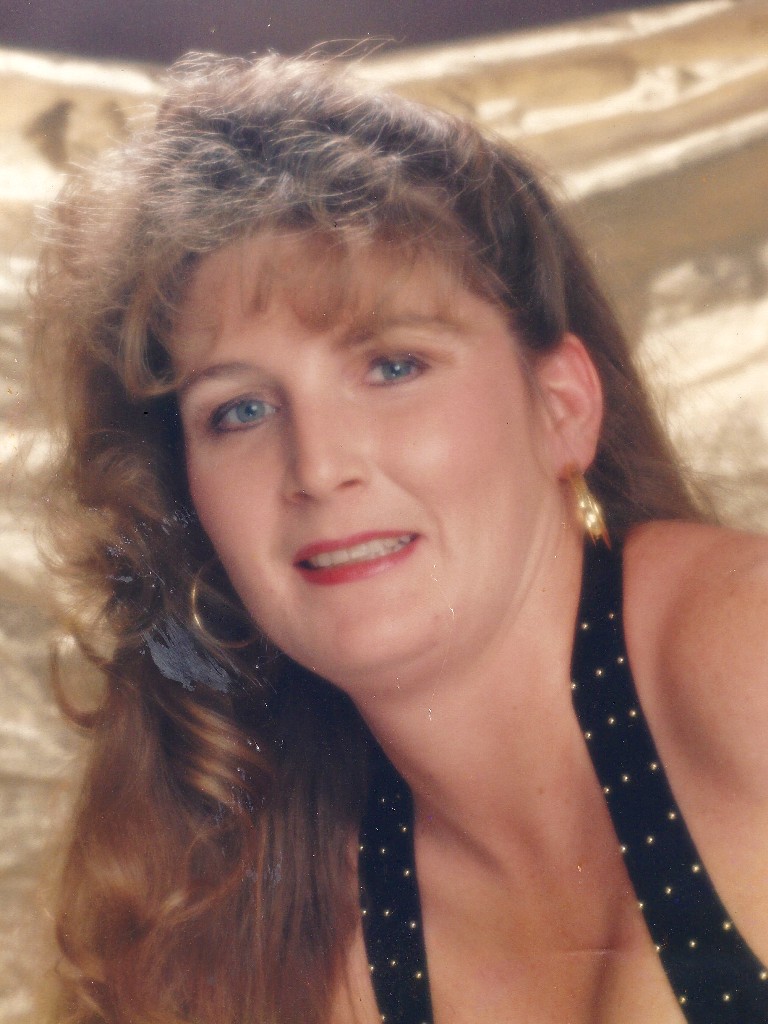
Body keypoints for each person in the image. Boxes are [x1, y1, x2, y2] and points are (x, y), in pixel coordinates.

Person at [29, 51, 768, 1024]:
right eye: (240, 409)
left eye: (393, 365)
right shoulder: (246, 923)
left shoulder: (743, 655)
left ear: (562, 406)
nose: (318, 465)